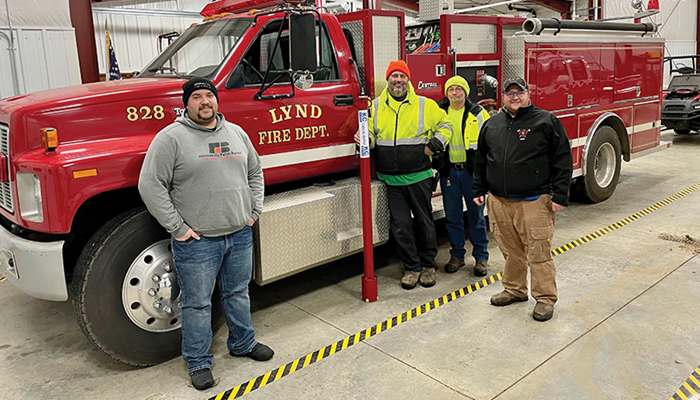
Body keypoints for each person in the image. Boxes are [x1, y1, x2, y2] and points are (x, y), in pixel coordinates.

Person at [138, 77, 273, 390]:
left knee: (238, 292)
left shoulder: (237, 133)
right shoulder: (171, 138)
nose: (204, 102)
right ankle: (198, 362)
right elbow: (150, 184)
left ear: (217, 100)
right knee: (197, 304)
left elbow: (255, 171)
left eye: (208, 96)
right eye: (196, 97)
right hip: (198, 241)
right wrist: (178, 228)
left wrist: (254, 212)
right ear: (186, 104)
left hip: (239, 234)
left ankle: (243, 343)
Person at [472, 77, 572, 322]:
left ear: (528, 94)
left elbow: (562, 159)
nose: (514, 97)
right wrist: (478, 189)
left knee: (538, 251)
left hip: (535, 200)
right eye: (509, 93)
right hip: (499, 201)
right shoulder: (492, 124)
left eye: (519, 92)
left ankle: (545, 298)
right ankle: (515, 290)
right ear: (502, 97)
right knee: (511, 250)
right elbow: (481, 160)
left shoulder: (545, 121)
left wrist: (559, 194)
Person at [355, 60, 452, 290]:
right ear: (387, 80)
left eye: (402, 76)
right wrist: (364, 137)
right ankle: (412, 268)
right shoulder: (376, 106)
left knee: (424, 223)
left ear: (409, 80)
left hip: (419, 176)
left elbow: (446, 124)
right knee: (400, 227)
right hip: (391, 179)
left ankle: (428, 266)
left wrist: (434, 146)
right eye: (394, 76)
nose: (398, 80)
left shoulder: (424, 105)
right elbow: (369, 129)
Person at [435, 76, 491, 277]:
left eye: (459, 89)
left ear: (466, 92)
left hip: (471, 175)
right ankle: (457, 256)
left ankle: (481, 258)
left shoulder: (478, 113)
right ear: (446, 92)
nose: (455, 93)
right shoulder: (439, 112)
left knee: (476, 217)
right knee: (452, 217)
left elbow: (490, 141)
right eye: (451, 89)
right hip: (449, 173)